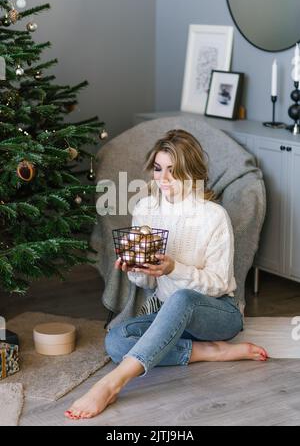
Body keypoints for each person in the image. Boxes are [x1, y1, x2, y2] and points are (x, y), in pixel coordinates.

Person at [65, 129, 268, 420]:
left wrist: (175, 268)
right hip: (169, 315)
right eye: (158, 169)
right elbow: (149, 283)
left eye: (173, 171)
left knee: (183, 298)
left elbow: (221, 283)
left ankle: (112, 384)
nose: (163, 178)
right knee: (117, 340)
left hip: (216, 312)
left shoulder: (213, 216)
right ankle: (209, 351)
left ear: (191, 171)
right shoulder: (146, 208)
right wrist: (137, 270)